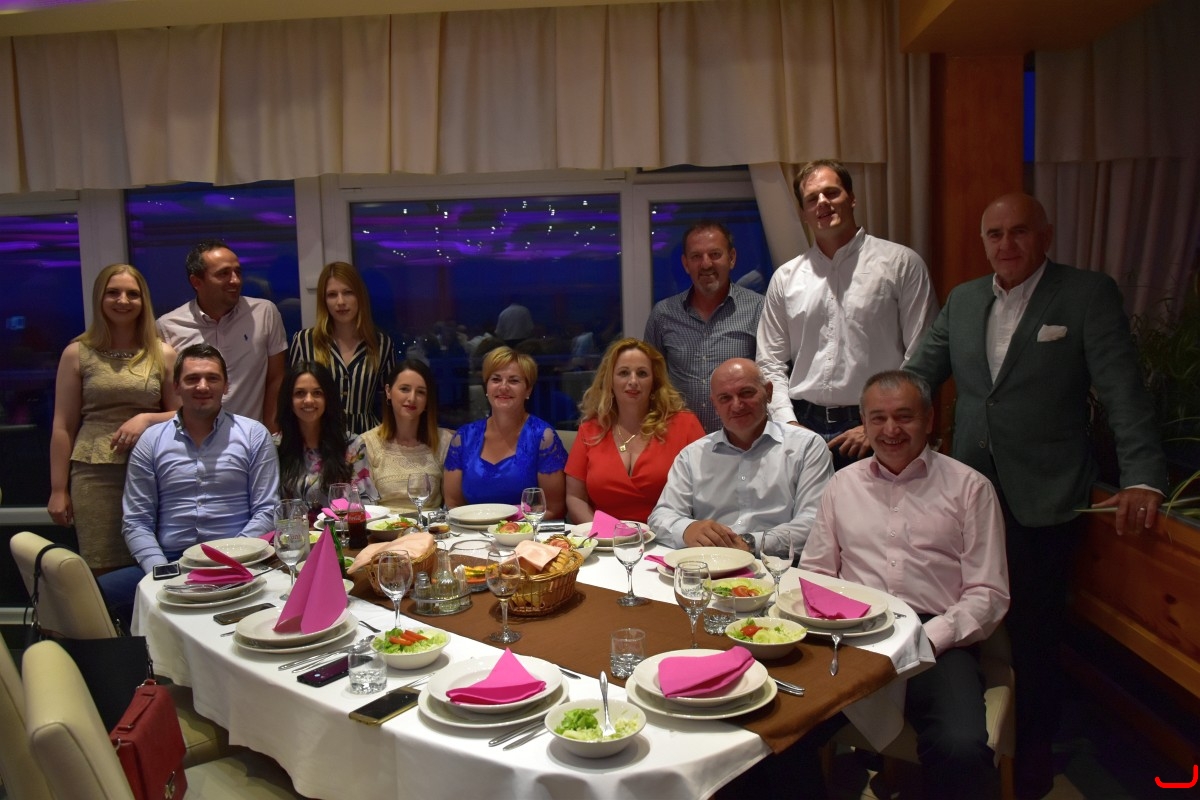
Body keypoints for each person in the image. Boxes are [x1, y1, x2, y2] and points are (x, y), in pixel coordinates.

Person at [905, 192, 1167, 799]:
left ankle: (1032, 760)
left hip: (1045, 497)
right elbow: (919, 374)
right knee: (961, 618)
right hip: (966, 495)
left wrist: (1143, 476)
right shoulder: (964, 299)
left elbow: (1123, 391)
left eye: (1019, 231)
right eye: (994, 234)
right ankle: (963, 745)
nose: (1006, 244)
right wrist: (885, 419)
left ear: (1044, 235)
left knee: (1035, 637)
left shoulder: (1085, 294)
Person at [800, 370, 1009, 799]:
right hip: (852, 632)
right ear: (863, 422)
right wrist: (835, 626)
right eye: (878, 418)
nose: (890, 429)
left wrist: (927, 638)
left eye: (904, 416)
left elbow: (988, 593)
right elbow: (816, 573)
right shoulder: (842, 485)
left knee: (960, 747)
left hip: (937, 638)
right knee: (781, 729)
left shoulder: (971, 488)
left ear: (929, 419)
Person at [756, 159, 938, 467]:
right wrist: (788, 424)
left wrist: (880, 421)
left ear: (851, 198)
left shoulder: (901, 264)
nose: (822, 203)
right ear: (803, 213)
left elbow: (921, 355)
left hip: (878, 428)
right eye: (812, 198)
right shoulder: (786, 278)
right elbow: (770, 362)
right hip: (802, 427)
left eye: (831, 193)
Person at [97, 344, 279, 627]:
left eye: (212, 378)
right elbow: (136, 521)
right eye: (192, 378)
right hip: (171, 561)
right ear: (176, 386)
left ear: (226, 386)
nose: (202, 386)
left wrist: (230, 560)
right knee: (84, 596)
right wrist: (160, 571)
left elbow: (267, 510)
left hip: (240, 561)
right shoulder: (150, 441)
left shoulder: (253, 435)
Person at [47, 264, 181, 573]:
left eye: (132, 294)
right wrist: (58, 489)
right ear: (99, 298)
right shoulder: (77, 353)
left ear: (143, 301)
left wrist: (145, 419)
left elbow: (183, 415)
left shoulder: (163, 353)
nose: (123, 300)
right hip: (95, 474)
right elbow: (63, 426)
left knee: (156, 565)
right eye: (113, 293)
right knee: (102, 567)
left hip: (153, 471)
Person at [648, 358, 833, 557]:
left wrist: (750, 543)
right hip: (709, 564)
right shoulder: (692, 455)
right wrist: (687, 530)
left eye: (746, 393)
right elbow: (661, 516)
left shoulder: (807, 446)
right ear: (715, 404)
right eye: (725, 398)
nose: (737, 405)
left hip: (777, 566)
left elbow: (815, 523)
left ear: (768, 392)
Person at [565, 338, 705, 524]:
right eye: (624, 373)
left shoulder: (685, 424)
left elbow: (706, 493)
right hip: (604, 538)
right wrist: (600, 534)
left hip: (668, 536)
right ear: (610, 381)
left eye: (642, 373)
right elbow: (575, 498)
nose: (633, 381)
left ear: (654, 382)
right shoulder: (590, 430)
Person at [644, 220, 764, 432]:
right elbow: (650, 382)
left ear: (732, 258)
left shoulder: (758, 309)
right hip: (680, 440)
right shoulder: (663, 314)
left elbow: (772, 376)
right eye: (696, 256)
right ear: (685, 264)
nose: (706, 264)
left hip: (743, 439)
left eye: (715, 254)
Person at [157, 240, 287, 432]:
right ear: (196, 282)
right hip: (195, 440)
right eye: (223, 273)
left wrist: (271, 432)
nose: (235, 280)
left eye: (238, 272)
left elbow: (276, 378)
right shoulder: (168, 327)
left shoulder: (264, 313)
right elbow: (172, 393)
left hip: (252, 437)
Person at [443, 347, 568, 518]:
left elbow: (554, 508)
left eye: (513, 381)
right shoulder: (463, 438)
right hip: (472, 532)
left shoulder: (543, 437)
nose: (503, 387)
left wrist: (507, 525)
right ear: (486, 387)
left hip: (525, 532)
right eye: (496, 379)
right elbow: (453, 505)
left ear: (528, 390)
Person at [288, 262, 395, 435]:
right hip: (319, 437)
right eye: (332, 295)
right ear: (324, 301)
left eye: (348, 292)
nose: (341, 302)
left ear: (359, 296)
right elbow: (291, 396)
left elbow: (390, 400)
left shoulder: (381, 343)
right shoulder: (305, 341)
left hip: (367, 438)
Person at [275, 362, 376, 506]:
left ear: (328, 398)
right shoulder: (275, 446)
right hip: (287, 522)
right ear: (288, 400)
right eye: (300, 393)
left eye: (317, 393)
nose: (309, 400)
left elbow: (364, 504)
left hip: (340, 521)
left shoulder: (352, 446)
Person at [361, 359, 454, 513]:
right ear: (388, 391)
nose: (412, 398)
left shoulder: (444, 442)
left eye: (421, 392)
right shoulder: (366, 444)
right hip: (381, 526)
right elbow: (363, 509)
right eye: (404, 389)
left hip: (431, 526)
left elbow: (452, 505)